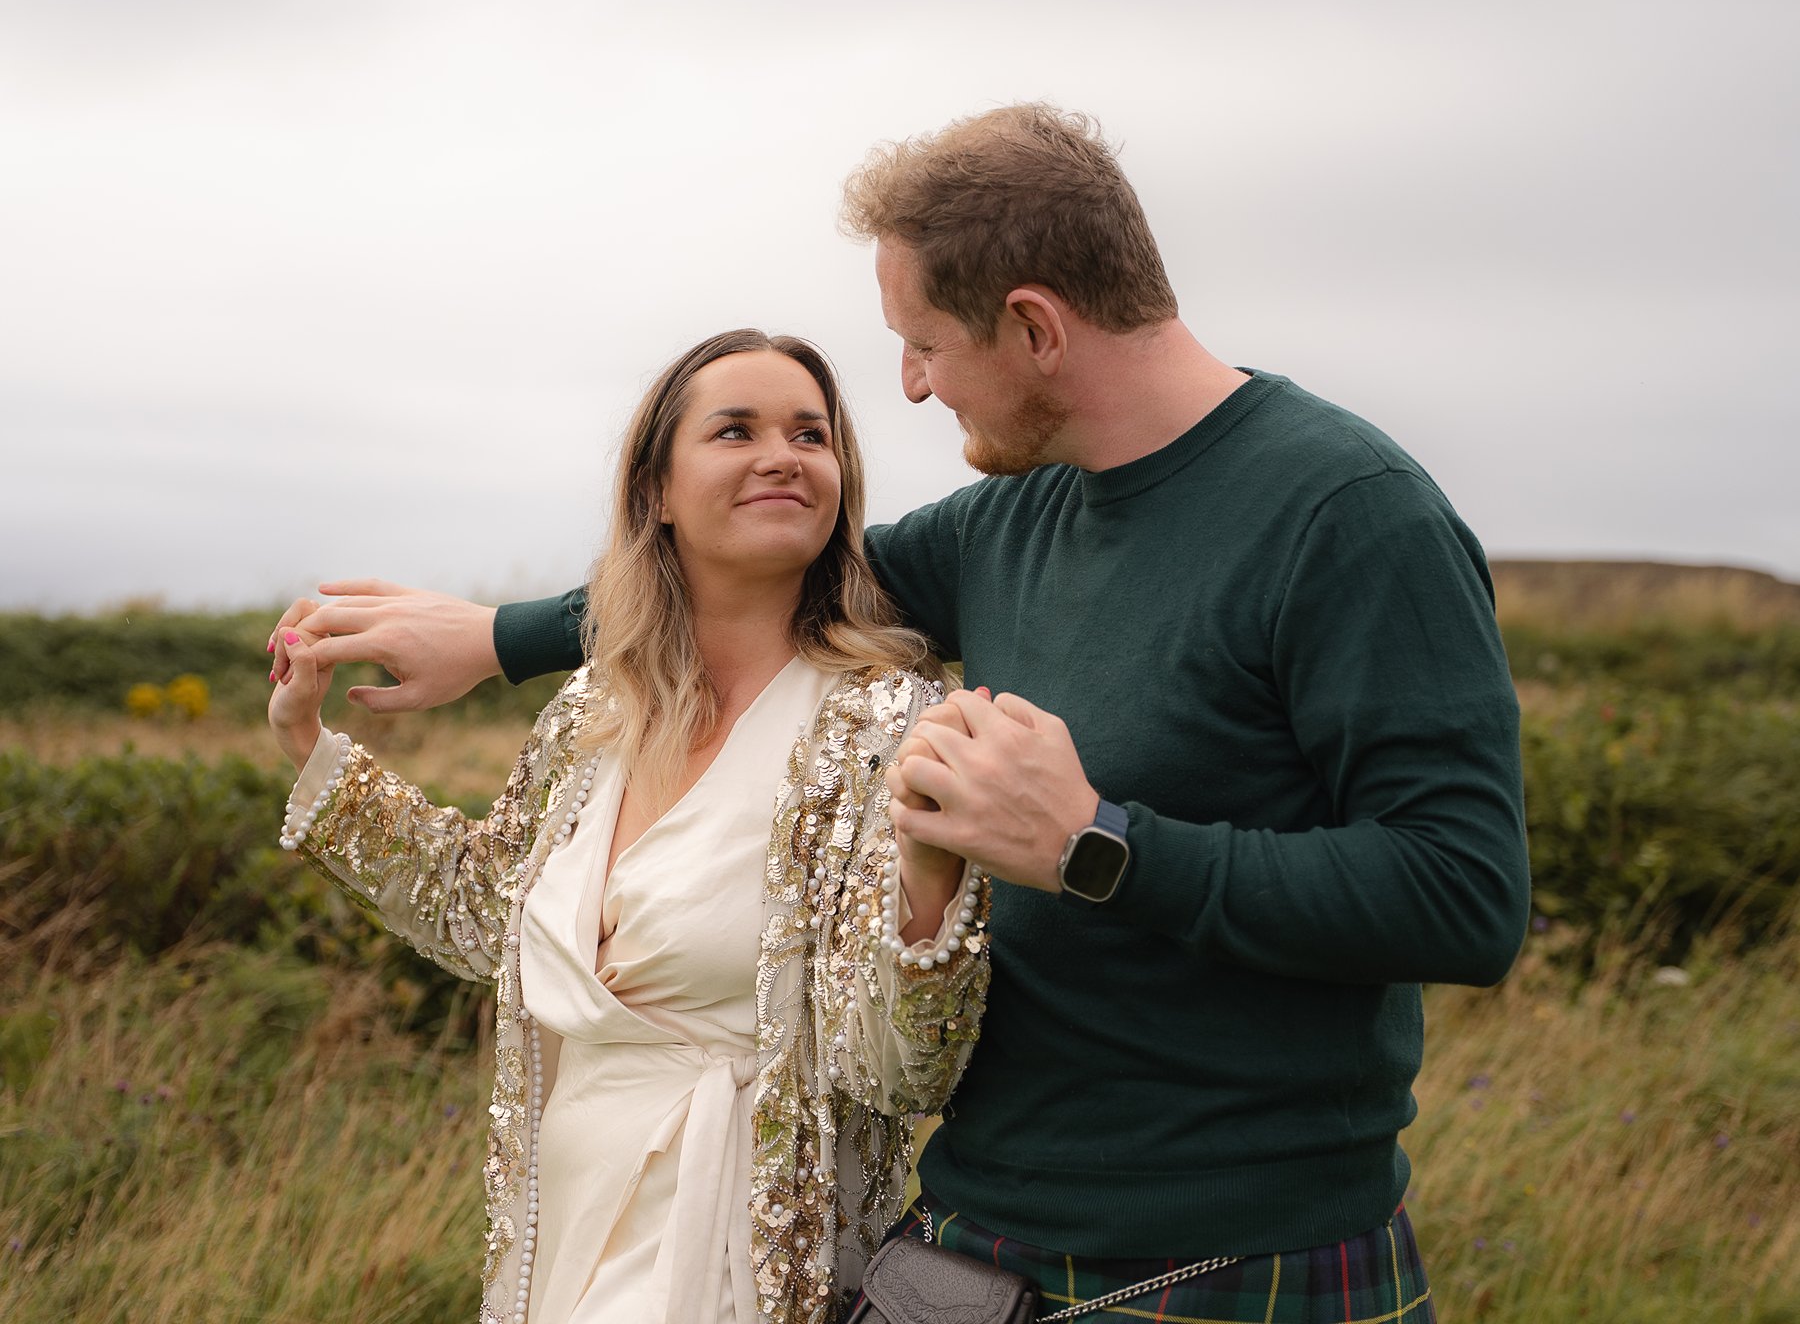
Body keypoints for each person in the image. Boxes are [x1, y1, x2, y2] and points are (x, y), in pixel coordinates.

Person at [275, 105, 1529, 1321]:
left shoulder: (1349, 513)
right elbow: (748, 582)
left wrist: (1096, 844)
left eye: (923, 344)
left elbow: (1466, 897)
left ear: (1033, 326)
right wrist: (497, 642)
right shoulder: (1012, 523)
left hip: (1231, 1253)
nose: (915, 388)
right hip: (981, 1229)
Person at [265, 329, 992, 1324]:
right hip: (564, 1226)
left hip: (740, 1244)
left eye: (810, 435)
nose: (782, 456)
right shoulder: (595, 711)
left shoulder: (886, 720)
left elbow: (903, 1071)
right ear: (656, 491)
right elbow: (486, 915)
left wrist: (932, 885)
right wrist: (308, 747)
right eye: (735, 431)